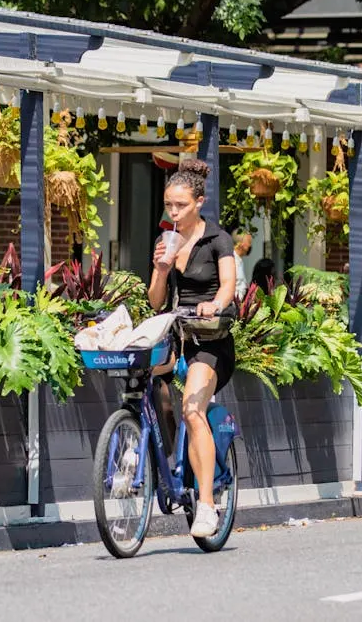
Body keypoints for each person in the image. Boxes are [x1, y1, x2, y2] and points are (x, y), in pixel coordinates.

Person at [148, 159, 236, 538]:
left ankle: (206, 505)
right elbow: (155, 302)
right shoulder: (165, 240)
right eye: (168, 205)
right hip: (177, 337)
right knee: (144, 382)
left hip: (211, 341)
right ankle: (164, 460)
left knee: (192, 409)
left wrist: (214, 304)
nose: (173, 212)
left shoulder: (218, 240)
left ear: (198, 202)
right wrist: (162, 270)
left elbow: (228, 286)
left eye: (180, 205)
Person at [231, 230, 252, 301]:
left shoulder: (240, 260)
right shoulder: (231, 260)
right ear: (241, 243)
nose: (250, 245)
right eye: (249, 242)